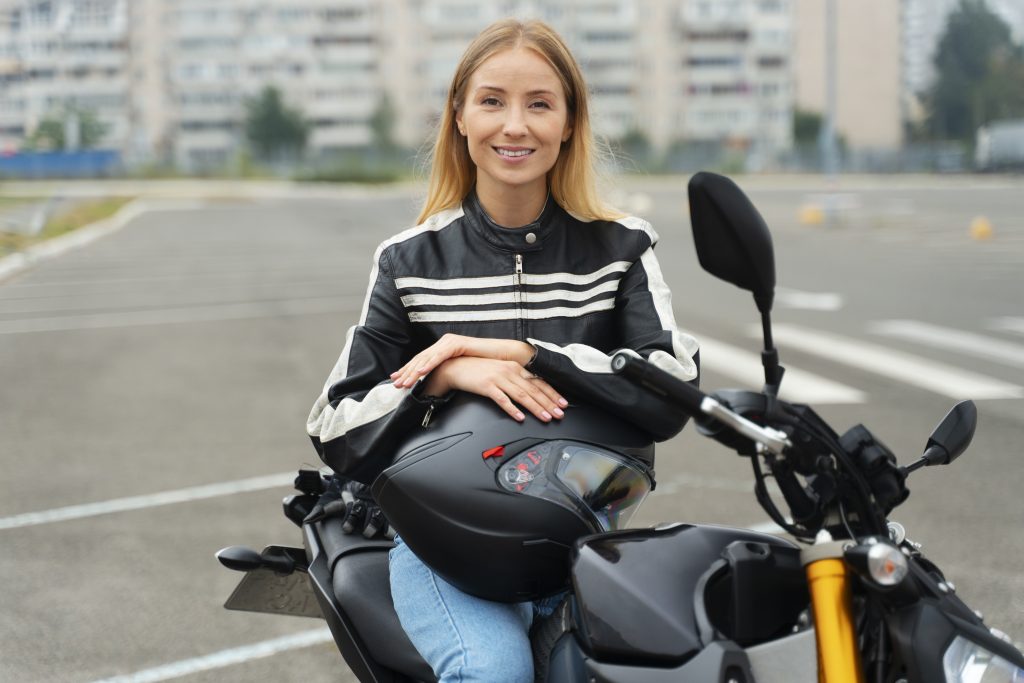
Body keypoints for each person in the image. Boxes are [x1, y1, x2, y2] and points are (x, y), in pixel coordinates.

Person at [306, 17, 699, 683]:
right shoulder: (409, 260)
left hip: (580, 537)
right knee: (494, 670)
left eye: (539, 103)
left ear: (570, 122)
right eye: (491, 101)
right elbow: (333, 421)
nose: (514, 126)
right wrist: (442, 375)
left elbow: (667, 388)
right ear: (459, 116)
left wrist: (527, 353)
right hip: (440, 545)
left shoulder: (621, 247)